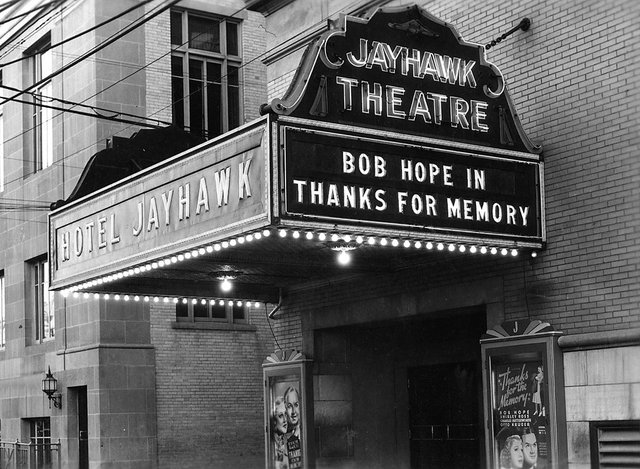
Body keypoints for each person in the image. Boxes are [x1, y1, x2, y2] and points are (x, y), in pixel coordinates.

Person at [284, 386, 302, 469]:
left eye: (296, 405)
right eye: (289, 406)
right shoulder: (283, 437)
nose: (293, 412)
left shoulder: (305, 432)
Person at [270, 397, 289, 469]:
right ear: (274, 421)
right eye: (281, 416)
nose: (285, 420)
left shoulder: (287, 440)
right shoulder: (272, 444)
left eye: (285, 414)